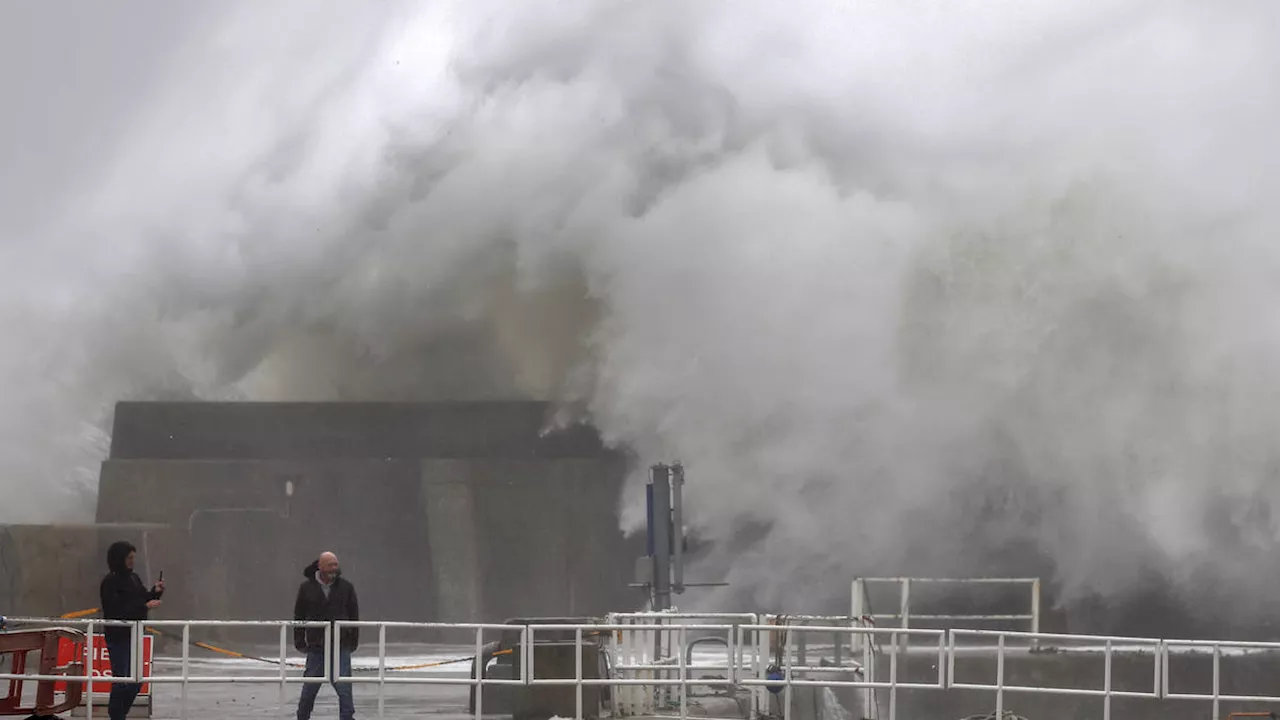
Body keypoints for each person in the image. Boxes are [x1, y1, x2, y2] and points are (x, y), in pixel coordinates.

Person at [99, 540, 163, 720]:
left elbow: (143, 598)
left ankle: (119, 713)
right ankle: (116, 715)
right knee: (122, 681)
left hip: (135, 636)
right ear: (119, 559)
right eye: (129, 558)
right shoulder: (110, 582)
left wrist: (155, 592)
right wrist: (146, 607)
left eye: (134, 557)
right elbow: (116, 610)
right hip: (118, 637)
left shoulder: (134, 578)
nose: (132, 561)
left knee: (136, 682)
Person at [294, 551, 359, 720]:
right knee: (310, 687)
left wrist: (353, 642)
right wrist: (299, 642)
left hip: (341, 644)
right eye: (330, 565)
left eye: (336, 565)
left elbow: (354, 616)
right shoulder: (306, 588)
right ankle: (302, 717)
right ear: (320, 567)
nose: (334, 569)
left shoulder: (346, 587)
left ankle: (347, 718)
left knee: (344, 687)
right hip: (316, 646)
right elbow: (299, 616)